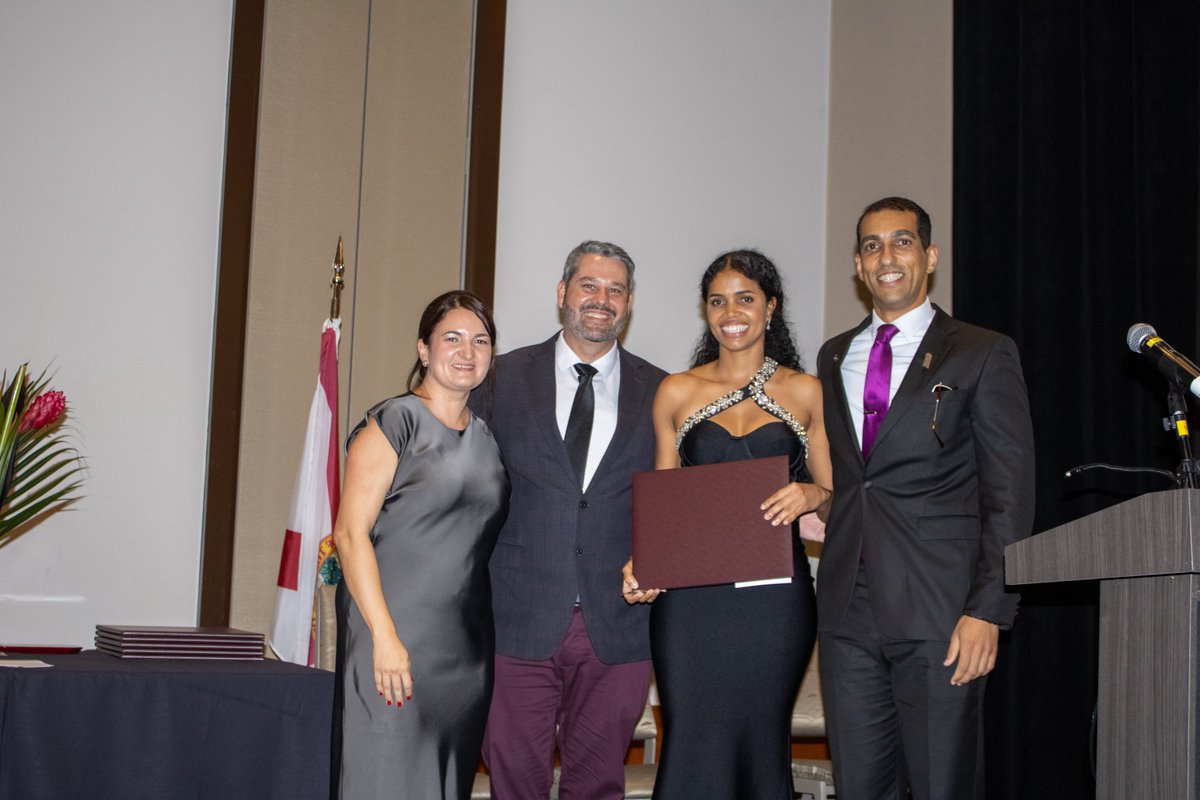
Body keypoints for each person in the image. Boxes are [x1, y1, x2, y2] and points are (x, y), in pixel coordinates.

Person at [816, 197, 1035, 799]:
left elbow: (1009, 493)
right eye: (871, 245)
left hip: (942, 608)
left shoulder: (982, 350)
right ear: (858, 265)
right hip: (847, 611)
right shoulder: (833, 355)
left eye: (902, 241)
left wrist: (989, 609)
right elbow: (856, 481)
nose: (886, 256)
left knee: (943, 784)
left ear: (930, 257)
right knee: (860, 787)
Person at [621, 249, 833, 799]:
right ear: (706, 311)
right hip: (690, 606)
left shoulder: (807, 391)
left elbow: (841, 502)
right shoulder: (677, 390)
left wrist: (813, 493)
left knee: (761, 743)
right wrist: (644, 561)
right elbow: (665, 501)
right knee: (691, 741)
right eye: (718, 301)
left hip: (774, 603)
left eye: (745, 298)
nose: (731, 312)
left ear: (771, 307)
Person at [471, 240, 666, 800]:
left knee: (598, 786)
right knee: (515, 784)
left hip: (619, 625)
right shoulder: (500, 378)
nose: (602, 299)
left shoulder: (663, 390)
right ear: (562, 293)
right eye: (589, 285)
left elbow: (675, 494)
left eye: (615, 289)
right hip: (515, 619)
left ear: (629, 303)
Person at [332, 290, 510, 800]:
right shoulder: (395, 422)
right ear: (424, 349)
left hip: (465, 654)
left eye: (480, 341)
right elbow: (349, 535)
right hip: (391, 637)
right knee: (384, 777)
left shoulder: (488, 439)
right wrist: (385, 637)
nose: (467, 351)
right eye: (452, 338)